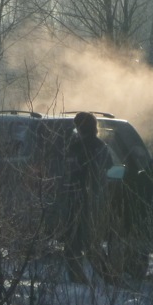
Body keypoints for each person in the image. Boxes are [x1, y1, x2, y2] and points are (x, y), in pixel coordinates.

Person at [63, 112, 113, 282]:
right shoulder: (101, 146)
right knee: (91, 243)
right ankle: (109, 277)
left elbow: (69, 173)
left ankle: (78, 281)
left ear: (80, 127)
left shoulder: (76, 147)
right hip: (96, 199)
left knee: (72, 245)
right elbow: (109, 169)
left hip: (77, 199)